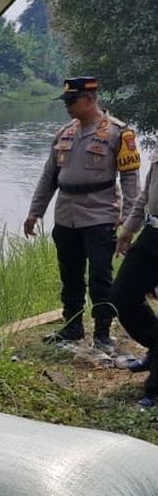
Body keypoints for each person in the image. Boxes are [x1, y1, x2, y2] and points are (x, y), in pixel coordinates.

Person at [24, 76, 141, 351]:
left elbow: (130, 180)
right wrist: (35, 211)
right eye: (65, 101)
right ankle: (72, 326)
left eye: (71, 101)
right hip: (66, 216)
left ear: (90, 99)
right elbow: (48, 176)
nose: (67, 106)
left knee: (101, 277)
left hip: (100, 215)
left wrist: (128, 219)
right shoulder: (64, 132)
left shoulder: (118, 133)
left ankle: (102, 333)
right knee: (70, 276)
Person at [111, 156, 158, 407]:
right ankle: (155, 347)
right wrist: (129, 229)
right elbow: (145, 195)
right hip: (152, 234)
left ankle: (154, 390)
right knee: (122, 295)